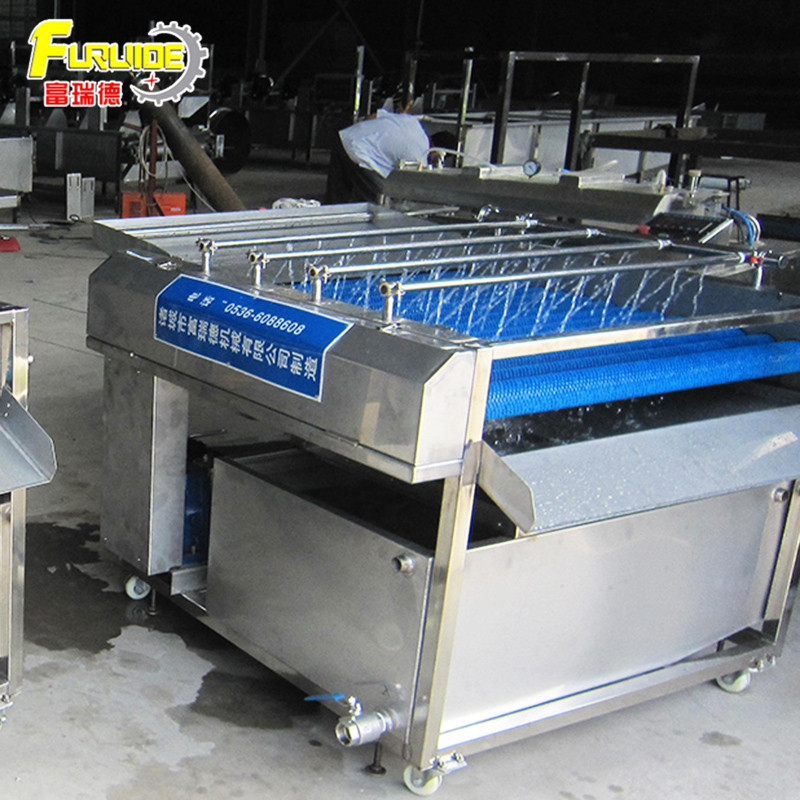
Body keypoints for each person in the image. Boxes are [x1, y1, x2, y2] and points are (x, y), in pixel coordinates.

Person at [325, 108, 430, 204]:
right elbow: (409, 186)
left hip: (347, 136)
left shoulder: (413, 122)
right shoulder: (420, 158)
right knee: (374, 199)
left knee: (337, 192)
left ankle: (332, 212)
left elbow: (372, 116)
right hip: (361, 152)